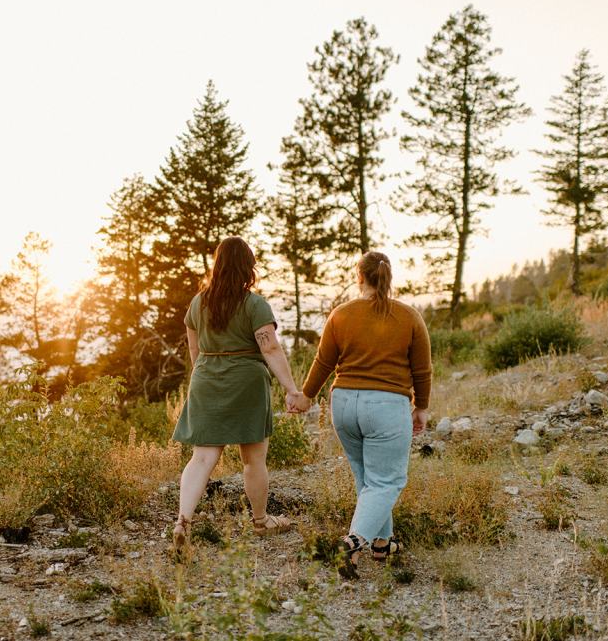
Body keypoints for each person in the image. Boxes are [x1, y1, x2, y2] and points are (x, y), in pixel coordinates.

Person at [288, 251, 431, 577]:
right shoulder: (409, 317)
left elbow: (324, 362)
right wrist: (420, 407)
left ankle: (382, 545)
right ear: (389, 278)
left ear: (360, 277)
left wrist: (307, 396)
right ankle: (352, 543)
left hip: (343, 404)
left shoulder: (341, 314)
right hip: (386, 406)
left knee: (369, 480)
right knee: (387, 480)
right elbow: (422, 370)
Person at [171, 236, 302, 552]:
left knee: (202, 457)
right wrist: (291, 389)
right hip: (246, 382)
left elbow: (194, 348)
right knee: (253, 458)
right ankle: (260, 521)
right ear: (248, 267)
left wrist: (205, 376)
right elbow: (269, 348)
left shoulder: (197, 303)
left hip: (206, 377)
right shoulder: (255, 305)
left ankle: (183, 520)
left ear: (218, 266)